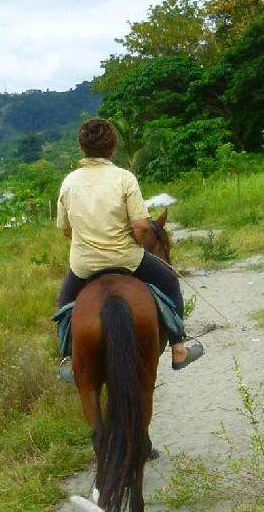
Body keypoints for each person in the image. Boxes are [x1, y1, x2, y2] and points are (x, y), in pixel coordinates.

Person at [55, 118, 203, 379]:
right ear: (112, 147)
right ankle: (179, 347)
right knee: (169, 280)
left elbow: (64, 228)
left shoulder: (69, 182)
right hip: (127, 258)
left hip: (84, 263)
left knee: (64, 302)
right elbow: (142, 226)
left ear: (83, 147)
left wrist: (86, 244)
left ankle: (67, 358)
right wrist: (134, 243)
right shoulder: (124, 178)